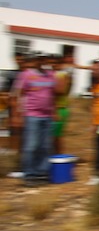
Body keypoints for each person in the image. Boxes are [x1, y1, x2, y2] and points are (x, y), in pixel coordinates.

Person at [12, 52, 59, 185]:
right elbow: (18, 94)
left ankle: (42, 173)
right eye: (39, 59)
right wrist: (16, 114)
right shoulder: (26, 75)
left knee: (45, 146)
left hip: (47, 116)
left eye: (44, 59)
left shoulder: (50, 75)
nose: (42, 62)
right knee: (31, 146)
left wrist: (54, 111)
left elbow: (53, 95)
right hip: (32, 115)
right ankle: (29, 174)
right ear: (35, 61)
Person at [51, 53, 73, 155]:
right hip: (54, 108)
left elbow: (61, 90)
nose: (53, 65)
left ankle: (59, 156)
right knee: (53, 136)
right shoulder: (53, 74)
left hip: (59, 108)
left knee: (57, 136)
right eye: (52, 63)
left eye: (55, 63)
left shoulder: (61, 75)